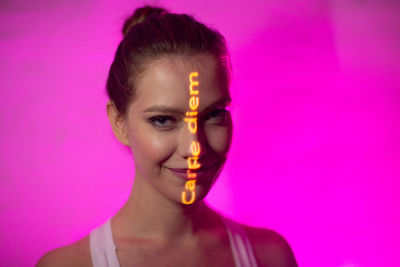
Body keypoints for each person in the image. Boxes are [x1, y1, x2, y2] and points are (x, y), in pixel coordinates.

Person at [37, 6, 297, 267]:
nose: (194, 147)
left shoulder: (271, 256)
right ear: (119, 123)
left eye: (214, 114)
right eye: (163, 120)